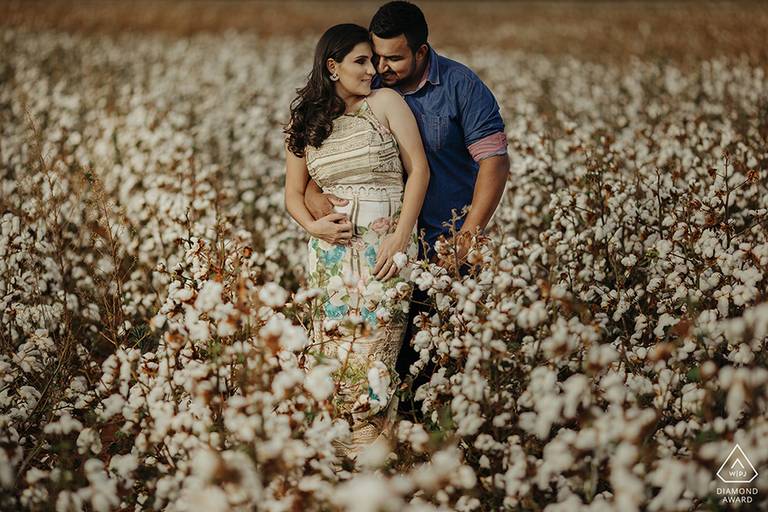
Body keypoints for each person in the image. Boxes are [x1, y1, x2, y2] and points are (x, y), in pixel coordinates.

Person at [304, 2, 510, 419]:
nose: (381, 66)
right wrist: (315, 205)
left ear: (421, 51)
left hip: (442, 242)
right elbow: (323, 160)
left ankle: (426, 456)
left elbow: (495, 161)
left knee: (435, 365)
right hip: (379, 252)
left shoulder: (461, 86)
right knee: (377, 363)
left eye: (393, 57)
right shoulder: (366, 83)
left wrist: (467, 237)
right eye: (375, 56)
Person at [283, 23, 429, 461]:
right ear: (333, 67)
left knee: (376, 357)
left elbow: (419, 170)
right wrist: (315, 227)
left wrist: (401, 237)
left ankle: (373, 462)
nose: (373, 70)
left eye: (374, 60)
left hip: (387, 245)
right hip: (330, 254)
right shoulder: (306, 122)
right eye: (361, 62)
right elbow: (293, 194)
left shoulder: (385, 103)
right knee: (335, 352)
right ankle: (333, 461)